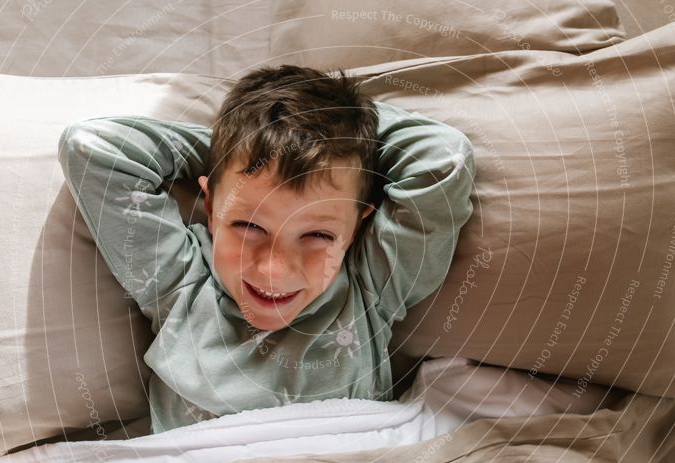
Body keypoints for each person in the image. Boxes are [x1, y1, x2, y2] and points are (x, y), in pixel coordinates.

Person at [58, 64, 475, 433]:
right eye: (247, 225)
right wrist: (236, 150)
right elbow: (92, 147)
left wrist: (336, 135)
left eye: (318, 236)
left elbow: (443, 159)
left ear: (355, 229)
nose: (274, 269)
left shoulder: (373, 288)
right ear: (210, 205)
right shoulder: (180, 281)